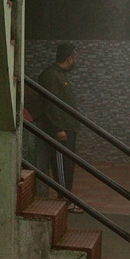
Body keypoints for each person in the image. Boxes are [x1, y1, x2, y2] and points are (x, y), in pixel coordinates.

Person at [33, 43, 80, 193]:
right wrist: (58, 129)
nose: (76, 61)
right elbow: (50, 104)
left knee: (68, 164)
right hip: (61, 129)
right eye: (75, 57)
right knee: (62, 164)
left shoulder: (59, 74)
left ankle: (68, 197)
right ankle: (64, 196)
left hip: (69, 126)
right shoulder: (50, 75)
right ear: (70, 59)